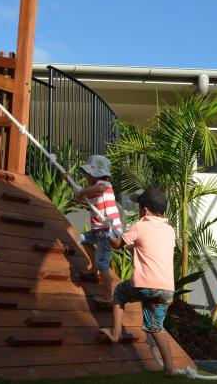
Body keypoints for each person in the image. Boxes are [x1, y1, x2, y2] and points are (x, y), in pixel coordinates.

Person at [99, 187, 178, 377]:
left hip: (145, 285)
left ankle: (115, 333)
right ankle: (170, 368)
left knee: (119, 293)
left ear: (144, 211)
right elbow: (150, 248)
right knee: (156, 327)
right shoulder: (169, 230)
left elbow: (118, 245)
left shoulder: (139, 225)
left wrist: (107, 233)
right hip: (166, 290)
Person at [73, 154, 123, 304]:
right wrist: (70, 181)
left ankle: (108, 296)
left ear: (96, 174)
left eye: (88, 174)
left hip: (108, 231)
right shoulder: (93, 189)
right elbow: (80, 198)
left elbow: (98, 188)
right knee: (82, 239)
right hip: (98, 231)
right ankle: (94, 268)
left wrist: (82, 191)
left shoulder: (104, 184)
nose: (86, 176)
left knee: (103, 263)